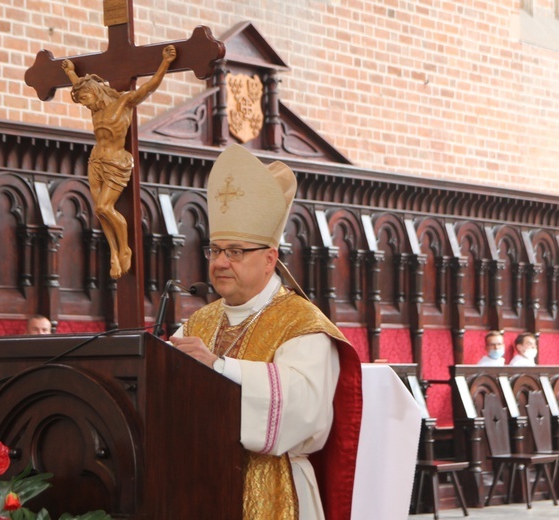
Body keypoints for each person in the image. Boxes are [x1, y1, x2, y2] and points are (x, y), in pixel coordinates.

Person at [169, 144, 363, 520]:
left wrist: (219, 368)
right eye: (215, 250)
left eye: (236, 252)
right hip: (197, 484)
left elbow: (305, 411)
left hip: (276, 486)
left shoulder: (302, 322)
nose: (222, 262)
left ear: (270, 258)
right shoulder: (198, 322)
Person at [62, 45, 177, 279]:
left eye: (85, 99)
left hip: (116, 161)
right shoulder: (95, 110)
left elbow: (148, 87)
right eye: (82, 102)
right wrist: (70, 73)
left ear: (95, 92)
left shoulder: (123, 103)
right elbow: (81, 86)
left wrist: (165, 62)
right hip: (96, 160)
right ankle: (114, 254)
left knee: (105, 206)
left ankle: (124, 247)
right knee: (100, 212)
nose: (86, 104)